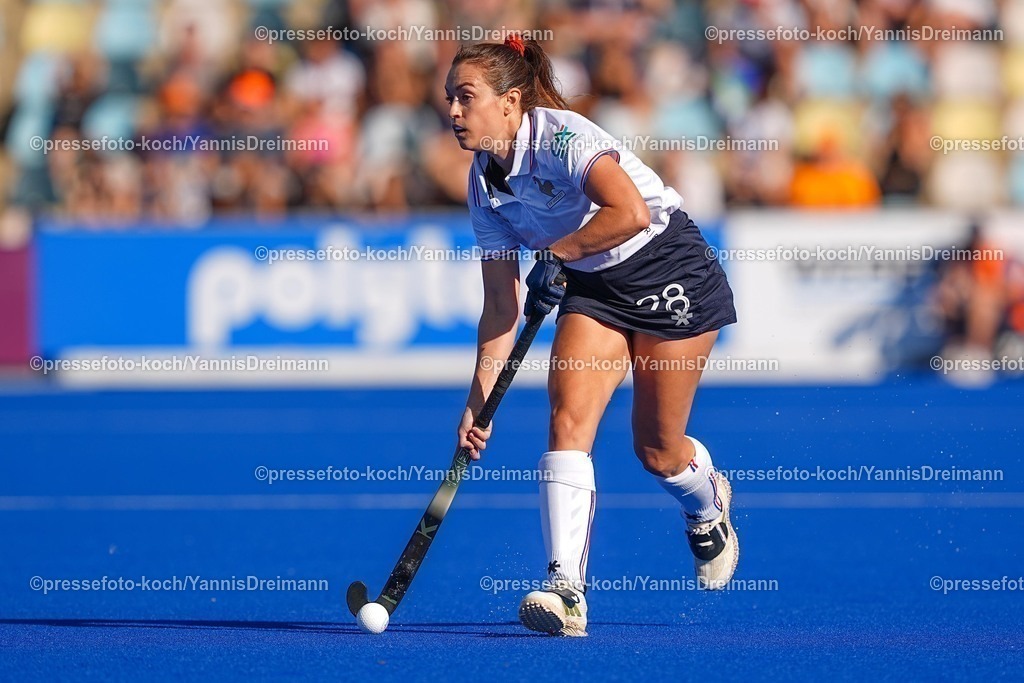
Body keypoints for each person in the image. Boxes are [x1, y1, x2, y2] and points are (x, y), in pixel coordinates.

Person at [448, 35, 739, 637]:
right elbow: (502, 305)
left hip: (668, 267)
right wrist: (479, 404)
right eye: (449, 98)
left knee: (657, 451)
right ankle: (568, 593)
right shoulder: (483, 185)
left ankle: (707, 504)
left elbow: (629, 211)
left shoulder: (562, 137)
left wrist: (558, 252)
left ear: (510, 103)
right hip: (592, 286)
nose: (453, 111)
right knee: (566, 424)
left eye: (465, 97)